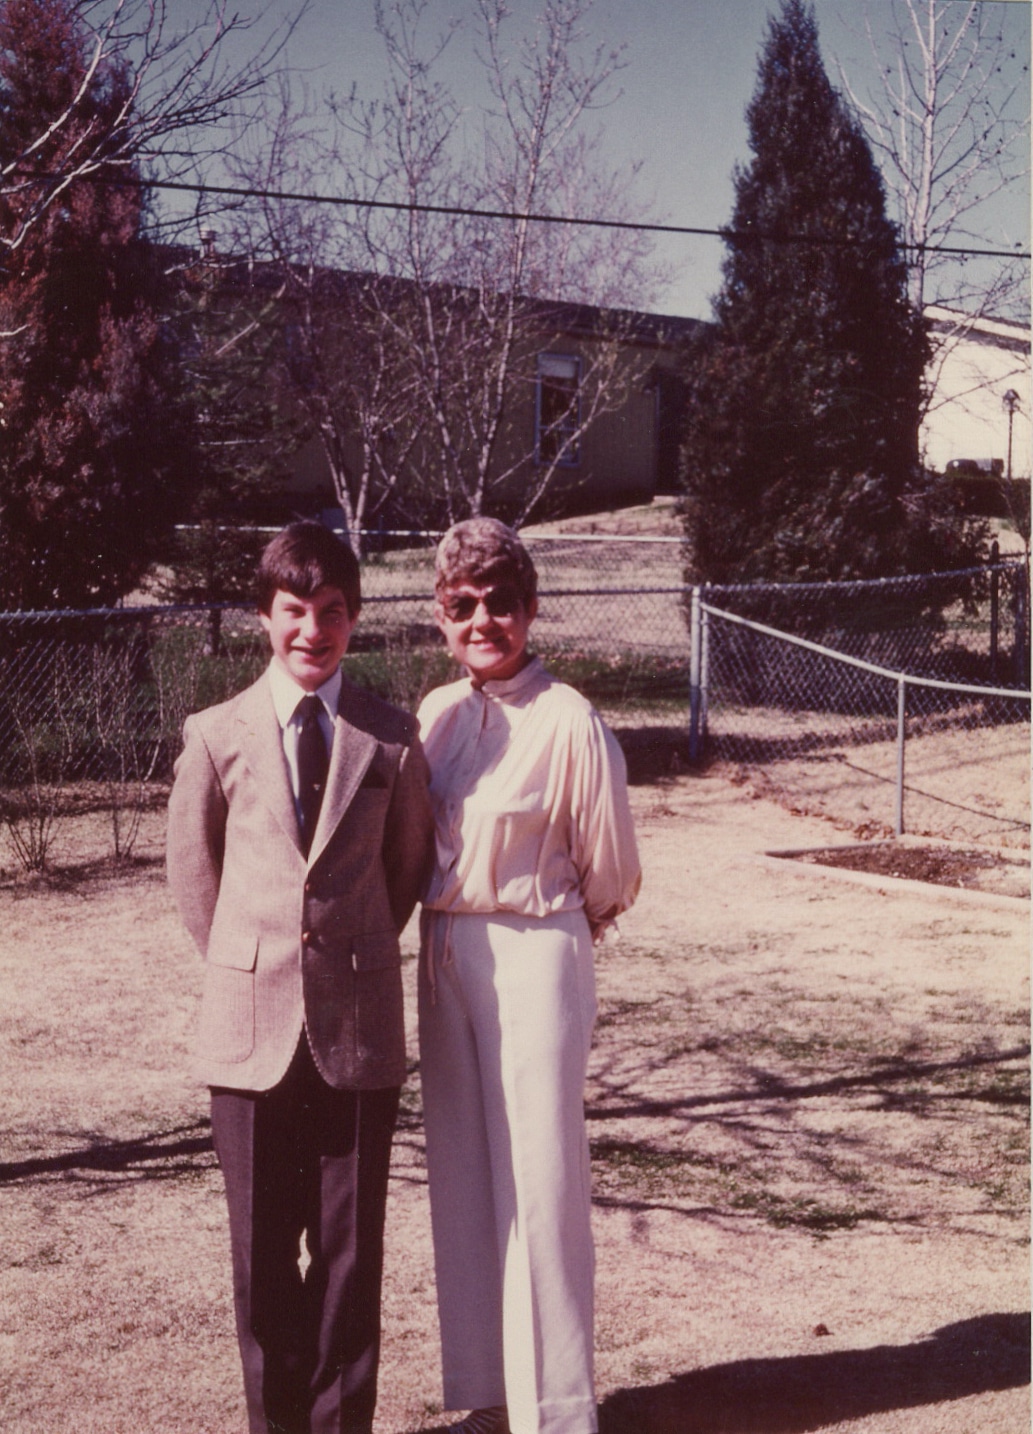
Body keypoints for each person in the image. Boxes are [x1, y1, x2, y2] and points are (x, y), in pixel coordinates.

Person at [166, 521, 433, 1434]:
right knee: (261, 1256)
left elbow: (404, 872)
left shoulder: (390, 739)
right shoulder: (216, 735)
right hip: (251, 1038)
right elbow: (195, 876)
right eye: (294, 610)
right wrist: (253, 962)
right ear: (264, 615)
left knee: (351, 1258)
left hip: (355, 1034)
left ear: (353, 619)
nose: (311, 631)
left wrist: (346, 954)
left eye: (331, 612)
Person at [417, 518, 642, 1434]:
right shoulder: (434, 715)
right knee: (462, 1174)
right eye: (462, 604)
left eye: (500, 602)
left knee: (540, 1181)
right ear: (441, 616)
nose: (483, 621)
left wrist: (553, 932)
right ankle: (488, 1393)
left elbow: (611, 867)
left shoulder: (568, 719)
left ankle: (555, 1412)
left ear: (530, 608)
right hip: (444, 951)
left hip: (535, 942)